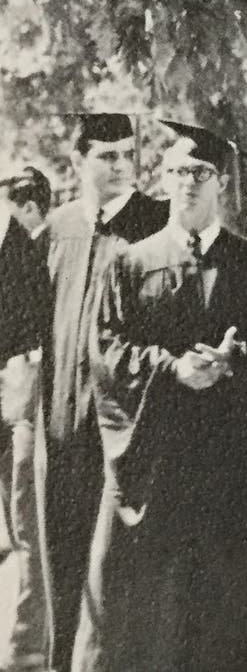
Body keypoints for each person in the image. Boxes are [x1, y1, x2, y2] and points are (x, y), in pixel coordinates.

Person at [74, 121, 247, 671]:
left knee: (221, 610)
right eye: (178, 172)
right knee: (149, 611)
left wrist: (233, 362)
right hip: (156, 459)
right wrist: (171, 368)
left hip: (226, 466)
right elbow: (107, 351)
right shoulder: (130, 263)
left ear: (223, 185)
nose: (188, 182)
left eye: (201, 172)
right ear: (164, 180)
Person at [36, 112, 168, 672]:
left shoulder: (156, 225)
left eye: (125, 154)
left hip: (127, 431)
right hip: (62, 430)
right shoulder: (56, 229)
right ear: (78, 162)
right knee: (63, 566)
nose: (119, 166)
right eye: (105, 155)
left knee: (120, 571)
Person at [0, 166, 52, 671]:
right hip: (15, 406)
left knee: (27, 519)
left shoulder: (37, 250)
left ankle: (27, 645)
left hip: (27, 407)